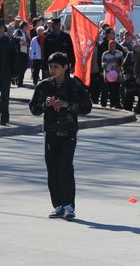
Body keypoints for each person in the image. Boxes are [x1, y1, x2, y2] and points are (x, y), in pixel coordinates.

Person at [29, 51, 93, 220]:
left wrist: (67, 105)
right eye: (50, 66)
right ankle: (57, 205)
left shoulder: (74, 84)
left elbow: (87, 107)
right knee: (53, 169)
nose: (52, 70)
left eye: (56, 67)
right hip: (50, 132)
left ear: (66, 67)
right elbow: (34, 108)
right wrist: (45, 104)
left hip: (69, 131)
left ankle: (69, 206)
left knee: (66, 167)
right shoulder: (44, 85)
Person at [101, 38, 125, 109]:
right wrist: (109, 67)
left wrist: (119, 67)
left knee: (117, 90)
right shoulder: (105, 54)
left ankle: (117, 104)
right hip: (109, 76)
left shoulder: (119, 53)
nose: (112, 47)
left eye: (114, 46)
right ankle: (112, 103)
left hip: (118, 75)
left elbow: (123, 63)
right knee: (111, 90)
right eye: (111, 46)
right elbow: (103, 64)